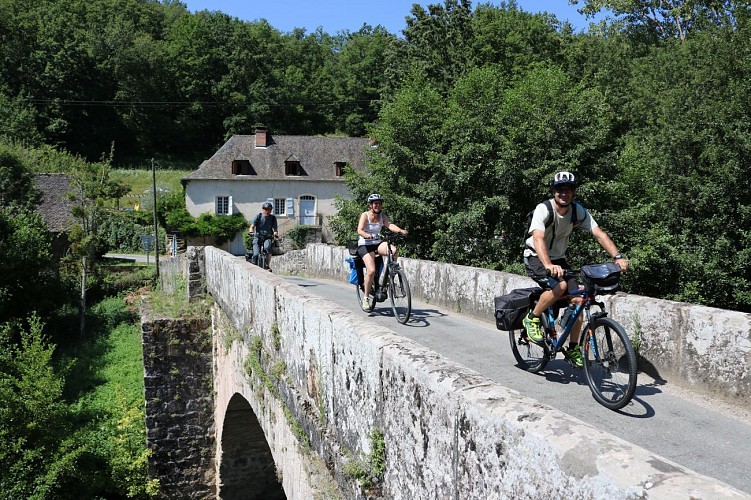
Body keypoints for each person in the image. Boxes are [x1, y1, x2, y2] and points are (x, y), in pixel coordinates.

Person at [522, 171, 629, 367]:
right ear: (554, 191)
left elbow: (599, 234)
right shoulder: (543, 209)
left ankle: (572, 348)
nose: (565, 193)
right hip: (536, 257)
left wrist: (617, 257)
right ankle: (532, 318)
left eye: (569, 189)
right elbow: (538, 238)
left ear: (573, 192)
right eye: (560, 189)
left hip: (559, 259)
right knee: (561, 287)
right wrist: (547, 265)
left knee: (579, 298)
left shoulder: (577, 211)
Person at [356, 193, 408, 310]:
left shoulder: (382, 216)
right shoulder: (365, 215)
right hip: (365, 245)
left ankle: (392, 273)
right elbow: (359, 230)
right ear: (370, 205)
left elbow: (390, 225)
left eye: (379, 203)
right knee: (371, 270)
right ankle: (366, 299)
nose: (377, 206)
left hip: (377, 243)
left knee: (393, 251)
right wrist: (366, 235)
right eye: (375, 204)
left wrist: (400, 230)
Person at [249, 202, 278, 269]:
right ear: (263, 209)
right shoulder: (258, 216)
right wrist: (251, 232)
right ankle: (254, 266)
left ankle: (267, 265)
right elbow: (252, 226)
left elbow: (275, 229)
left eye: (269, 209)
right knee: (256, 254)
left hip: (267, 237)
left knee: (268, 249)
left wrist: (275, 234)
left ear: (271, 210)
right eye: (265, 209)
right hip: (258, 236)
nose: (267, 211)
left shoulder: (273, 218)